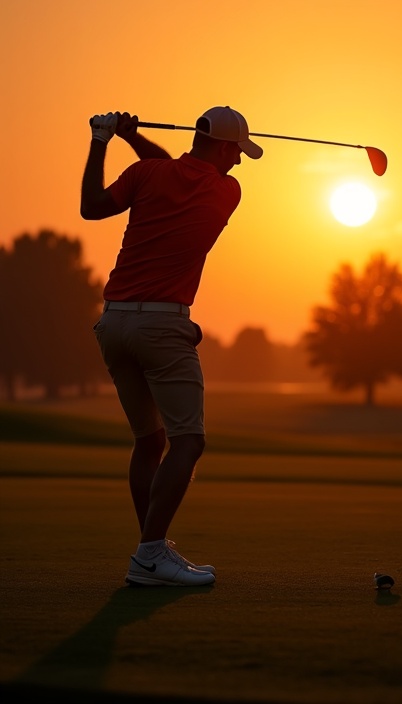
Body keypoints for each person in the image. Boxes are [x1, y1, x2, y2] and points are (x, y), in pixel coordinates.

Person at [81, 107, 263, 586]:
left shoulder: (147, 174)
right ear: (223, 148)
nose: (238, 163)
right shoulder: (226, 191)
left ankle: (151, 551)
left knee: (149, 441)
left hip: (113, 323)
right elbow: (169, 169)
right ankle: (149, 556)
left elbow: (92, 206)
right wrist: (133, 139)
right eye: (237, 153)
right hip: (162, 327)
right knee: (188, 441)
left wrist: (106, 139)